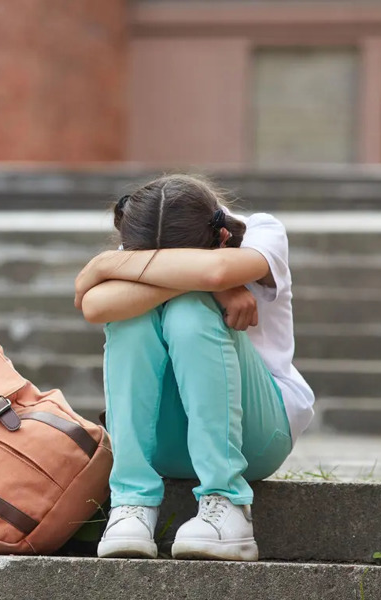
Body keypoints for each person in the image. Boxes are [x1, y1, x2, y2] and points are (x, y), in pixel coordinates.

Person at [74, 174, 315, 561]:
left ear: (220, 240)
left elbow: (217, 273)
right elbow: (95, 307)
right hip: (168, 443)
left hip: (257, 435)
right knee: (129, 318)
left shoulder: (261, 232)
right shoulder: (145, 237)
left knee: (189, 310)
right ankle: (131, 503)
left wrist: (109, 265)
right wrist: (205, 281)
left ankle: (228, 503)